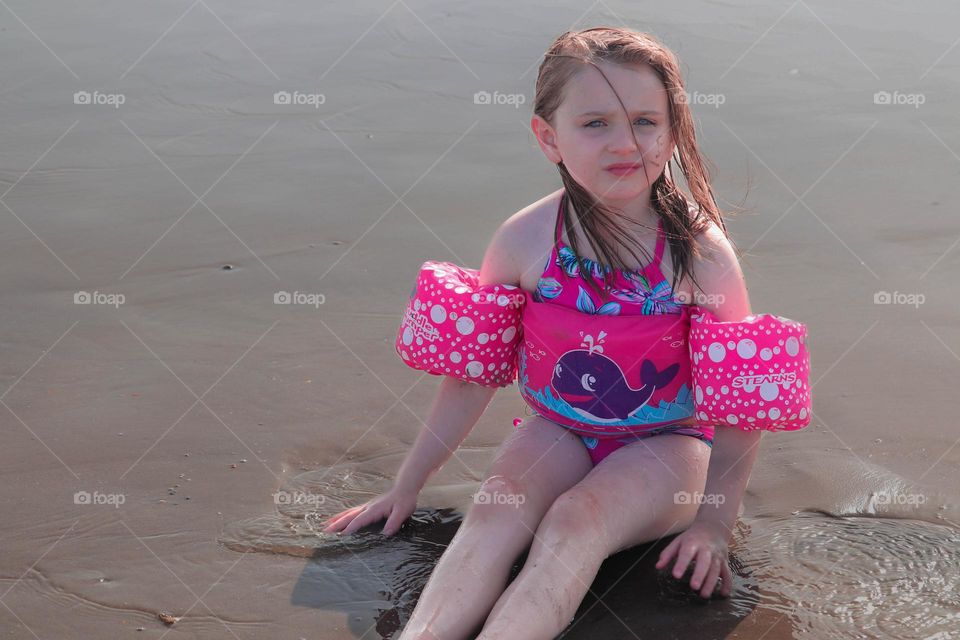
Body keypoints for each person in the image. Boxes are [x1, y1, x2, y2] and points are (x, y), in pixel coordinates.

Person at [323, 26, 758, 640]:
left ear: (673, 129)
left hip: (671, 445)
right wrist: (406, 487)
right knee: (495, 507)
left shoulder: (699, 253)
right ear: (547, 137)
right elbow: (471, 380)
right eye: (595, 123)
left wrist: (714, 522)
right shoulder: (525, 240)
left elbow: (741, 401)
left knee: (578, 519)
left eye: (644, 121)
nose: (625, 143)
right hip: (558, 428)